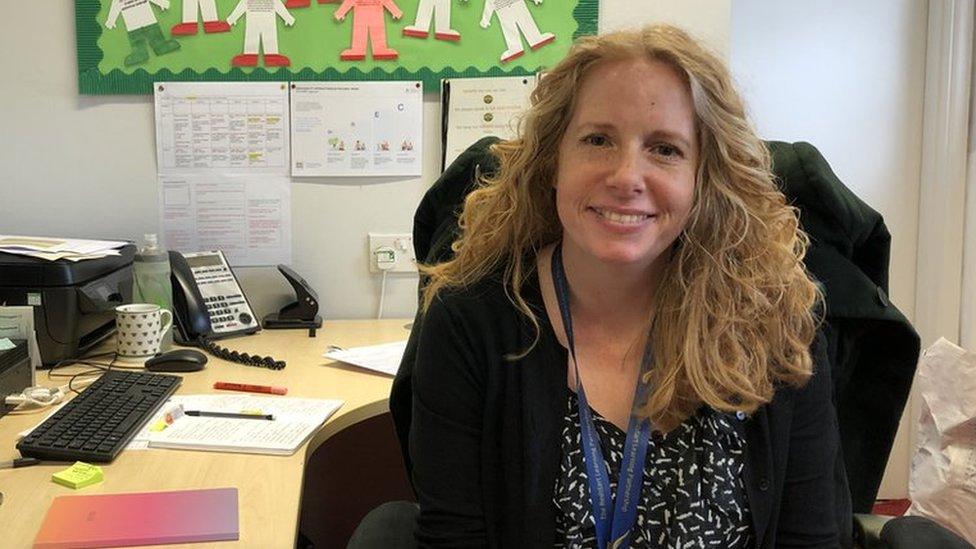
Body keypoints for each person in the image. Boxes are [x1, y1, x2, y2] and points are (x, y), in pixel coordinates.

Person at [406, 24, 848, 548]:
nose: (626, 176)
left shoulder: (773, 325)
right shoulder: (472, 323)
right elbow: (454, 539)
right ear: (554, 161)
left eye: (664, 149)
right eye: (597, 140)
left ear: (704, 178)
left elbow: (811, 538)